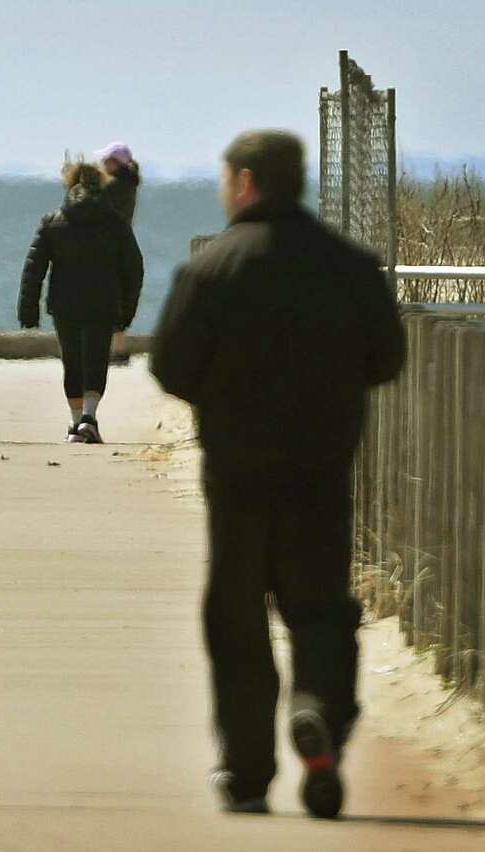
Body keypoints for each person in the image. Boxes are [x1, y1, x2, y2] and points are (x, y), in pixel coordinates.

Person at [151, 130, 405, 818]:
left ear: (246, 183)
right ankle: (318, 712)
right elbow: (387, 358)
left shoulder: (213, 268)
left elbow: (170, 367)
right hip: (321, 473)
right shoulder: (350, 267)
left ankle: (247, 772)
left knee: (235, 619)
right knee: (321, 609)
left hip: (236, 476)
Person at [17, 158, 143, 443]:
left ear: (69, 185)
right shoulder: (116, 223)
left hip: (64, 303)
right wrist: (128, 309)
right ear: (102, 185)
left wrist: (28, 307)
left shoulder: (53, 222)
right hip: (103, 302)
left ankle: (75, 424)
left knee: (72, 362)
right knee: (96, 361)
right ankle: (90, 417)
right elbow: (133, 268)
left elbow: (34, 267)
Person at [97, 141, 142, 366]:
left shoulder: (116, 186)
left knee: (109, 298)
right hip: (120, 245)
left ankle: (116, 350)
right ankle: (117, 349)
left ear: (117, 163)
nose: (103, 164)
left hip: (111, 247)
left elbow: (93, 201)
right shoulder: (127, 183)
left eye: (107, 160)